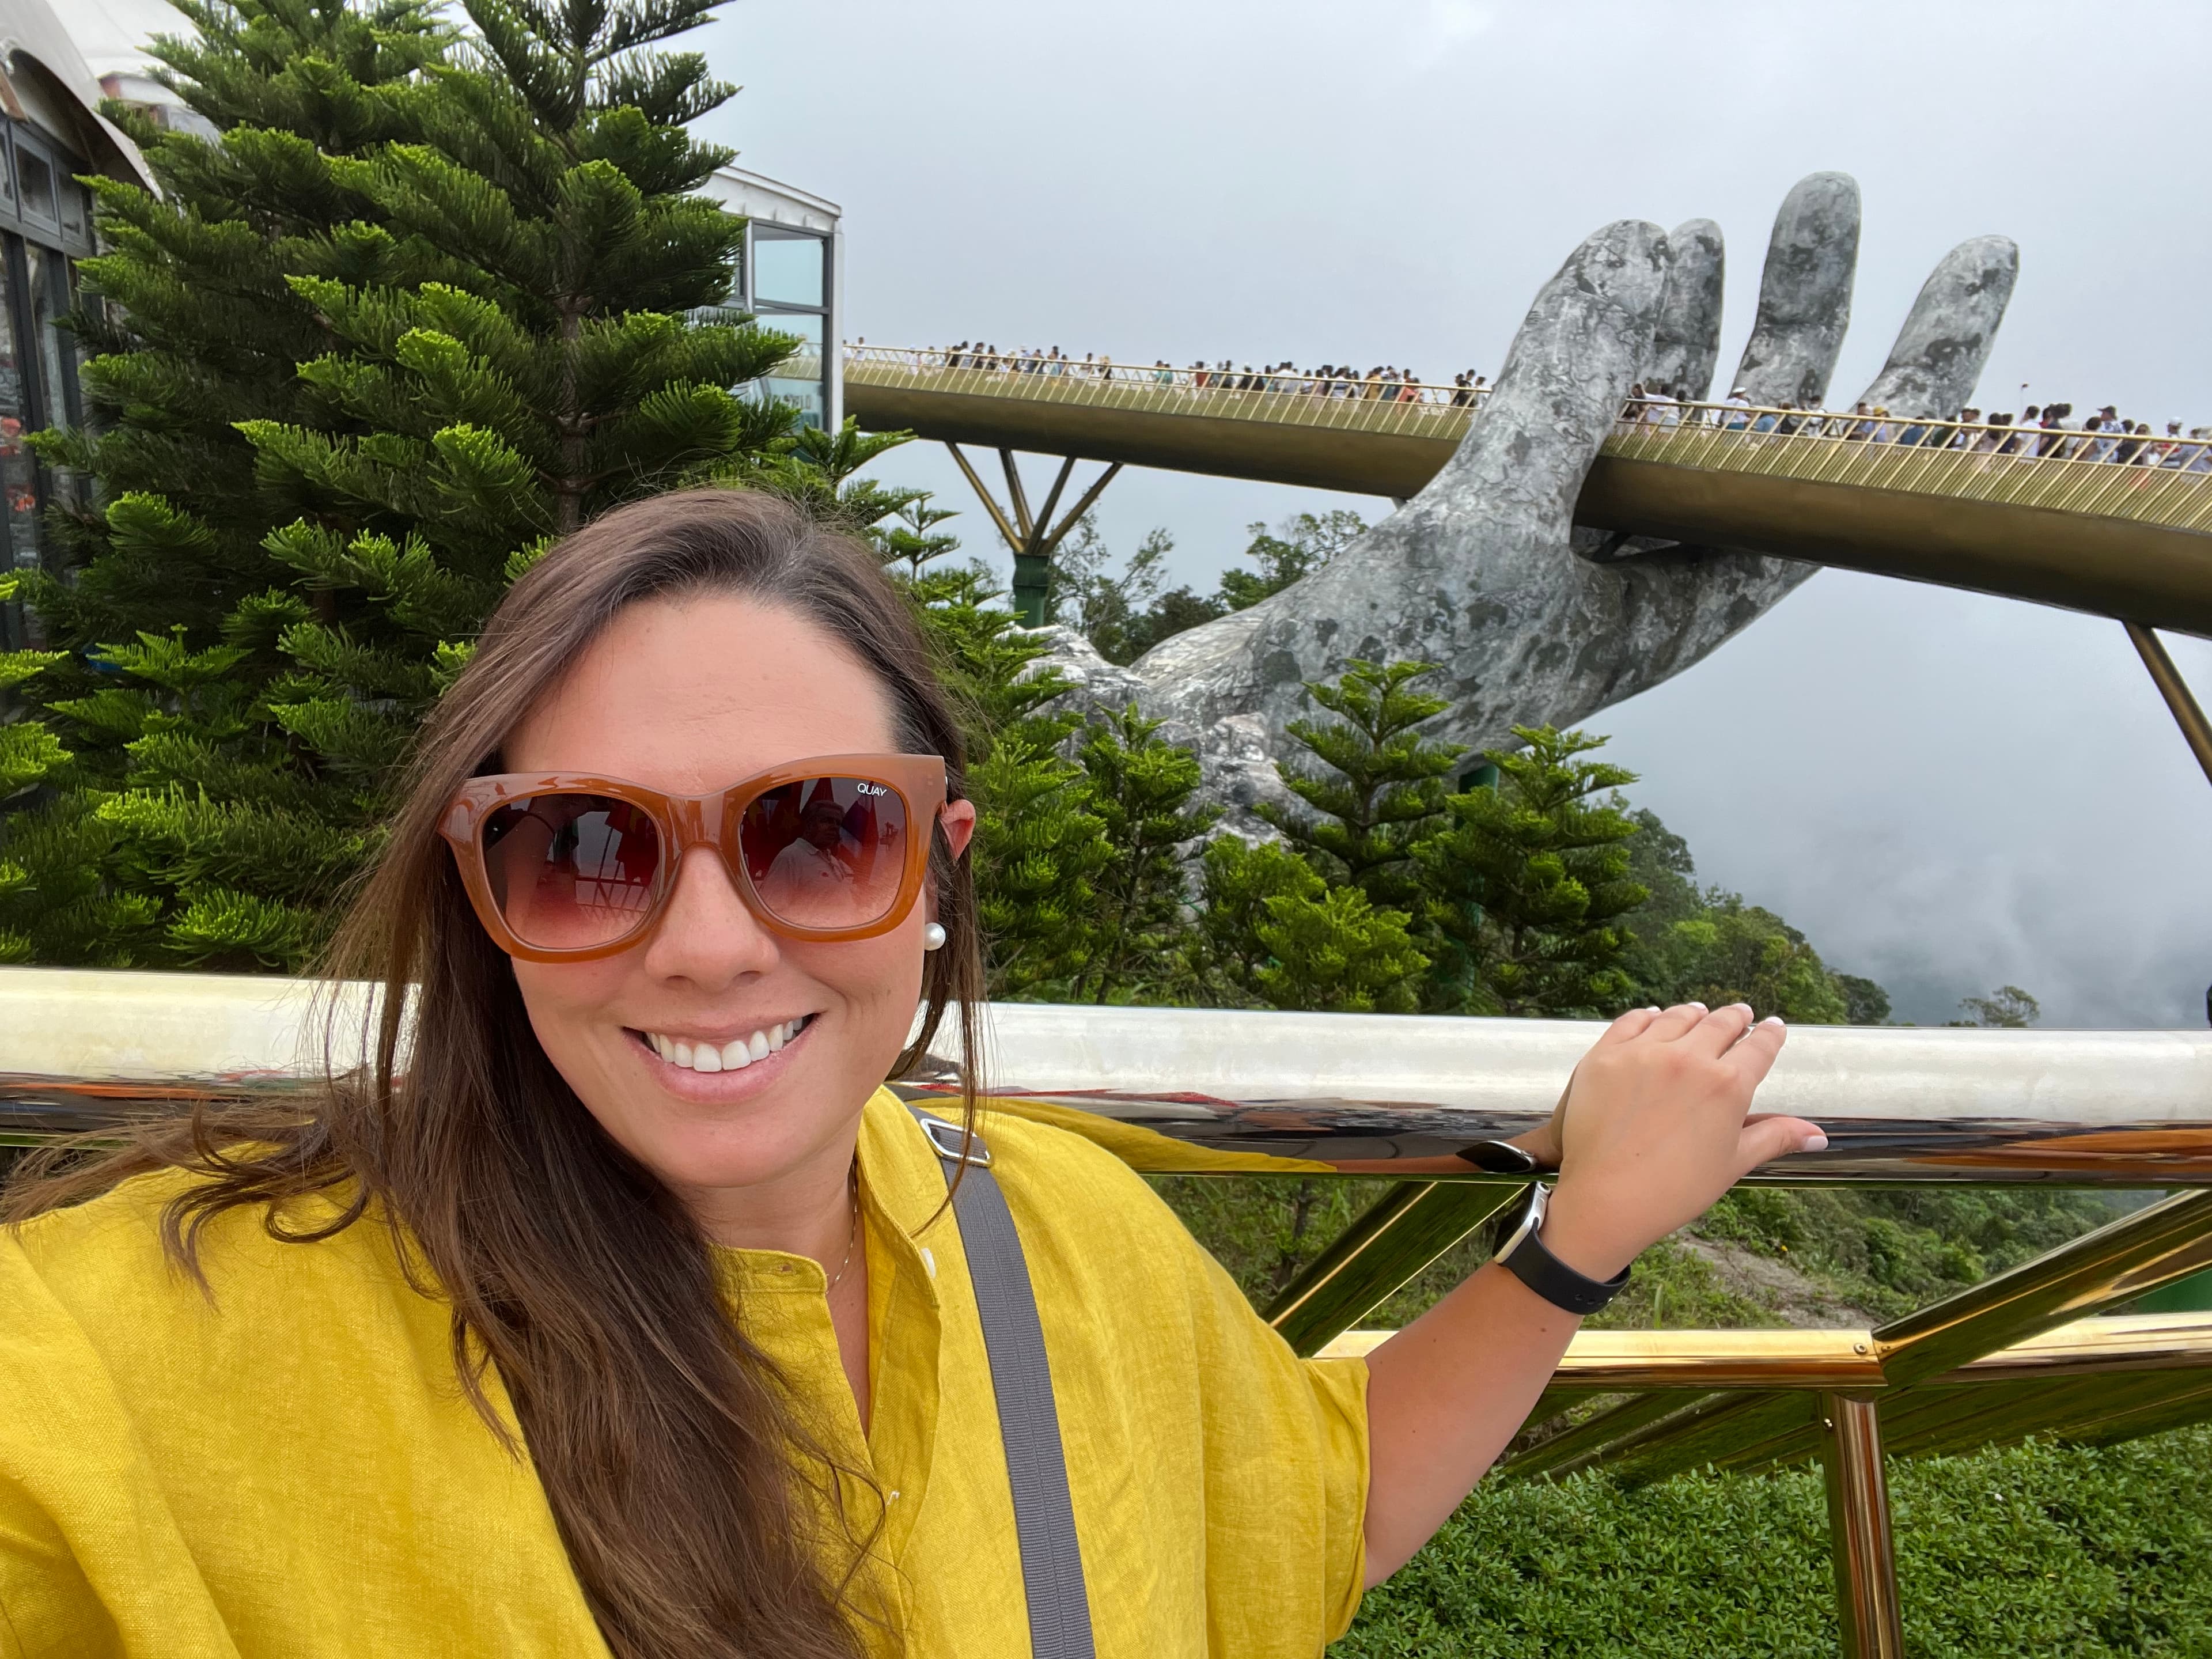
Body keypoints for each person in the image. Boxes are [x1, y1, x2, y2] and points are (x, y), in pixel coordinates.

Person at [0, 487, 1818, 1658]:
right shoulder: (161, 1342)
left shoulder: (1063, 1237)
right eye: (586, 849)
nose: (706, 943)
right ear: (479, 898)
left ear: (938, 869)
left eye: (814, 836)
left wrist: (1579, 1238)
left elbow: (1307, 1511)